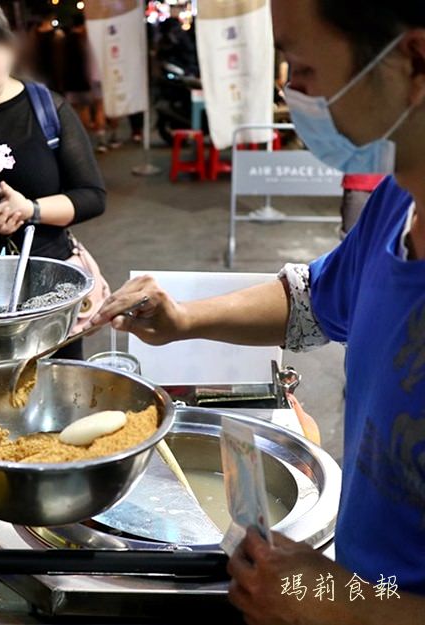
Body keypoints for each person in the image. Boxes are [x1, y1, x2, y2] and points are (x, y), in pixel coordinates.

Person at [93, 2, 425, 623]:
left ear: (414, 60)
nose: (291, 91)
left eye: (302, 65)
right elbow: (312, 299)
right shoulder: (394, 208)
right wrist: (183, 319)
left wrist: (335, 607)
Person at [0, 0, 110, 357]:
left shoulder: (48, 108)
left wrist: (28, 209)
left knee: (57, 394)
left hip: (48, 290)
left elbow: (92, 195)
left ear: (8, 46)